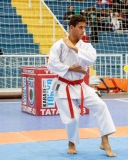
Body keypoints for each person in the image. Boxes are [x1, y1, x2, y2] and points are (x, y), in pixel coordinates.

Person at [47, 15, 116, 157]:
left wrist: (75, 48)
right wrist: (71, 68)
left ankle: (105, 140)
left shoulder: (86, 46)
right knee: (73, 118)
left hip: (80, 86)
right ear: (71, 27)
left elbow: (92, 59)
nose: (83, 30)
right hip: (64, 86)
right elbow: (51, 64)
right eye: (80, 27)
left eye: (84, 27)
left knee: (101, 106)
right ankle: (71, 143)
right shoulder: (59, 45)